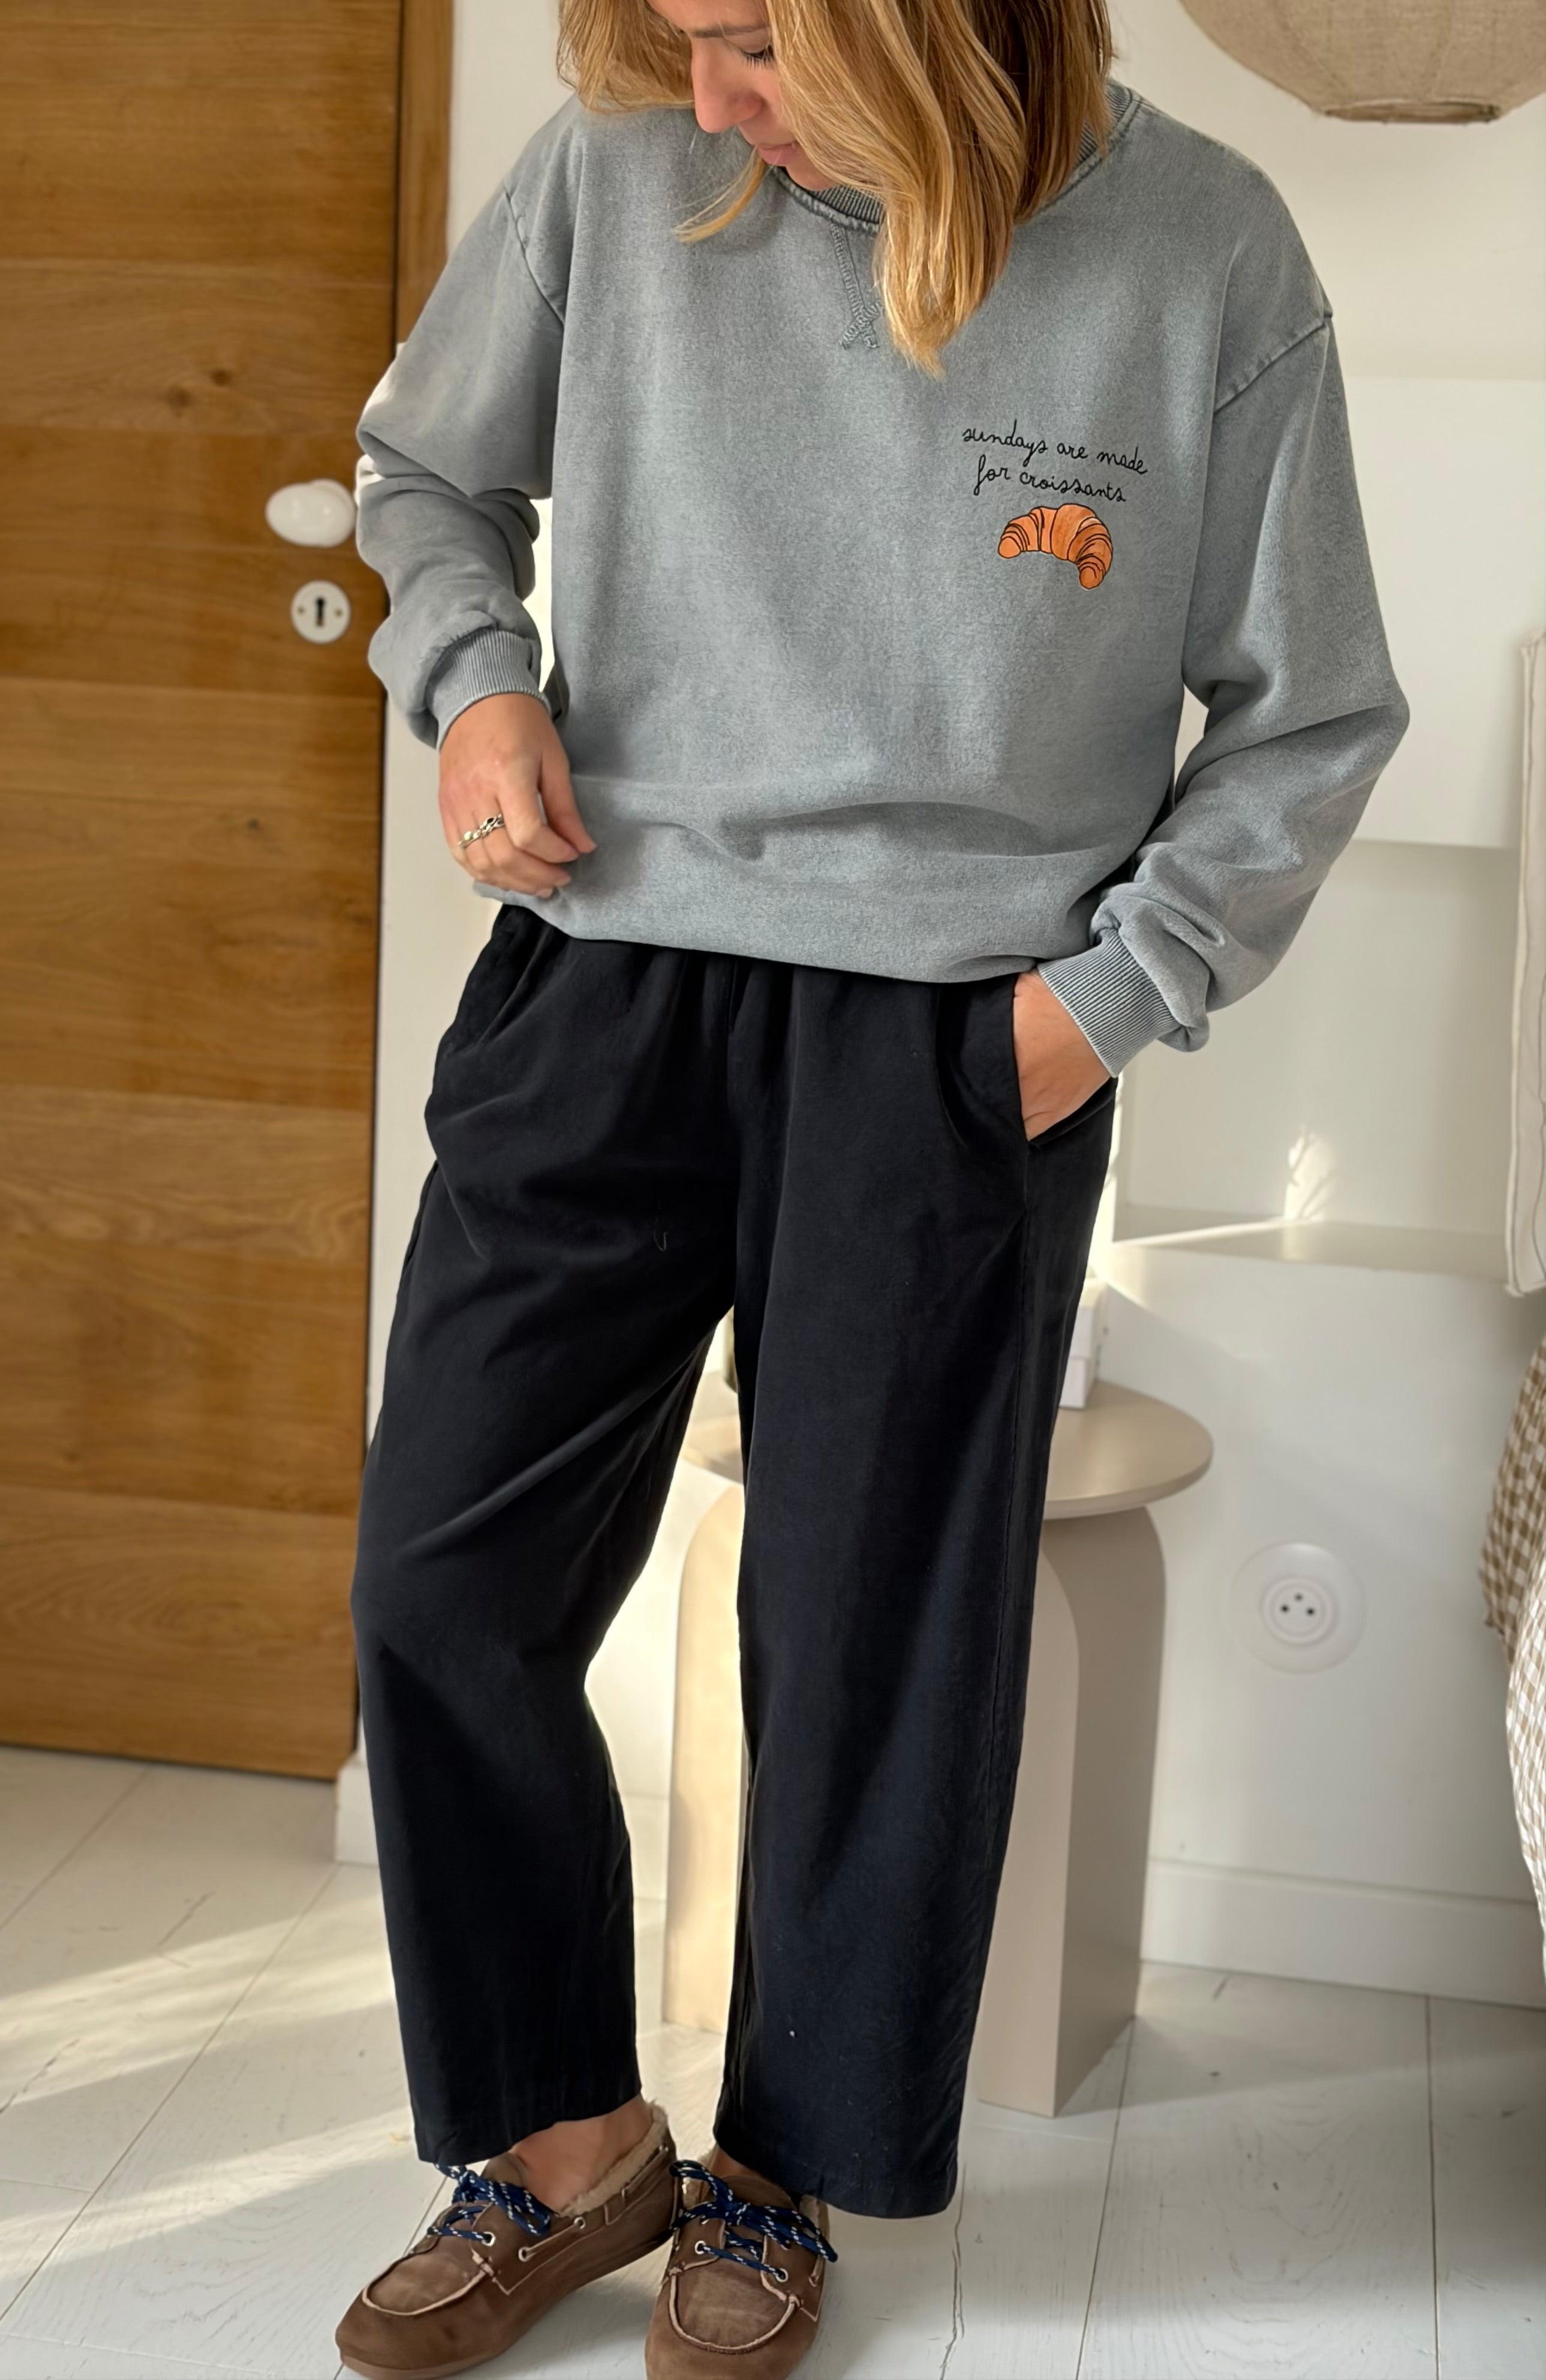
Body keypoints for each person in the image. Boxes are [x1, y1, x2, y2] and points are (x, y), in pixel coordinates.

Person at [334, 0, 1409, 2370]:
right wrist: (479, 680)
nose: (703, 96)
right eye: (676, 38)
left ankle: (778, 2176)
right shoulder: (616, 173)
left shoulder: (1202, 251)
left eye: (749, 41)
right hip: (603, 984)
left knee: (862, 1648)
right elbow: (421, 474)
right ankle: (567, 2141)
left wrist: (1092, 1010)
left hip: (950, 1041)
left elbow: (1313, 708)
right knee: (443, 1582)